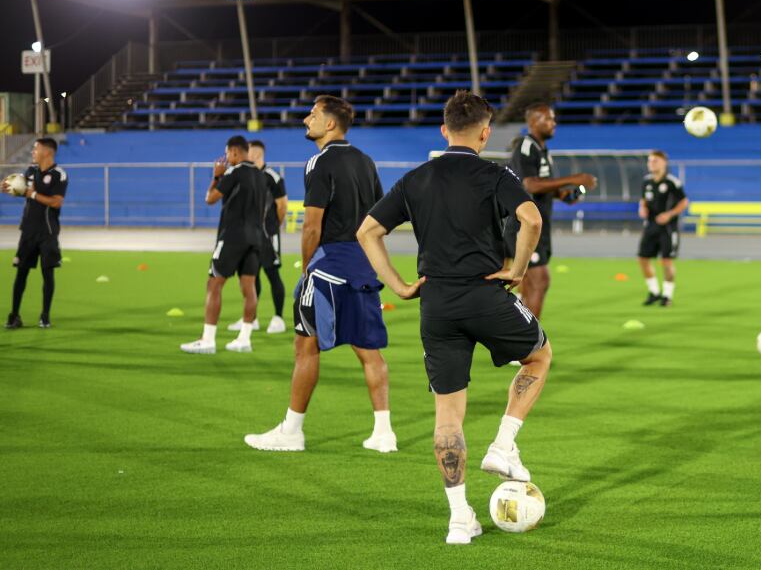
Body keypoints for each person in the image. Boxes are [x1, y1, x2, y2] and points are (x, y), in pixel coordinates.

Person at [357, 91, 552, 545]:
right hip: (485, 292)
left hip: (436, 304)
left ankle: (459, 518)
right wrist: (519, 269)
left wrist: (400, 285)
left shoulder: (416, 178)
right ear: (485, 133)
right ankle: (503, 446)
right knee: (539, 356)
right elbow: (532, 219)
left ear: (443, 130)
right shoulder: (494, 173)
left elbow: (367, 231)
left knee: (448, 416)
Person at [244, 95, 396, 453]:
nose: (305, 120)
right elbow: (378, 222)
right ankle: (383, 433)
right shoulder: (366, 161)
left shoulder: (318, 161)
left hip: (328, 267)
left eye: (313, 115)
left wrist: (307, 266)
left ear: (330, 124)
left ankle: (292, 432)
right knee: (369, 351)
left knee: (305, 348)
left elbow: (311, 226)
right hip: (363, 267)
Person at [503, 103, 597, 317]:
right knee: (540, 281)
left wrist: (563, 194)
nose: (553, 123)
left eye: (553, 119)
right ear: (533, 122)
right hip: (524, 226)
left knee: (527, 283)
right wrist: (575, 178)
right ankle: (531, 341)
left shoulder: (542, 150)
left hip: (538, 226)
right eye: (548, 119)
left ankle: (518, 337)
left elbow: (541, 186)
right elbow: (529, 184)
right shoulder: (527, 146)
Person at [179, 135, 270, 355]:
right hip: (256, 238)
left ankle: (208, 340)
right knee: (249, 288)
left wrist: (216, 177)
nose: (226, 158)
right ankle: (244, 339)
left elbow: (210, 198)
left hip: (232, 237)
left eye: (228, 153)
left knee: (214, 285)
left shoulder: (233, 172)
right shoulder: (261, 175)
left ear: (236, 152)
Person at [3, 138, 67, 329]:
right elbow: (23, 189)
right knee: (20, 274)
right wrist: (8, 187)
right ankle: (14, 315)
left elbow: (56, 202)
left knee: (48, 274)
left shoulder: (58, 175)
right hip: (28, 232)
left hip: (47, 232)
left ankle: (45, 315)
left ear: (47, 152)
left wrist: (32, 194)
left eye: (35, 148)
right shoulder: (30, 171)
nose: (33, 151)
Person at [229, 140, 289, 335]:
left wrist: (272, 228)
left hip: (267, 235)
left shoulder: (272, 177)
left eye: (249, 152)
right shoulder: (247, 176)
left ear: (256, 154)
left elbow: (282, 206)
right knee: (250, 276)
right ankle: (251, 318)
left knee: (272, 274)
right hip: (249, 235)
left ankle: (278, 318)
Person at [637, 150, 689, 306]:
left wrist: (670, 214)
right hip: (650, 226)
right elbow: (643, 200)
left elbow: (684, 202)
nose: (651, 163)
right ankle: (654, 292)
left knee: (666, 261)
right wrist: (642, 208)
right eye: (650, 161)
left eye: (655, 161)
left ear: (664, 163)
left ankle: (667, 296)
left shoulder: (672, 182)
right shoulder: (646, 182)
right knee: (643, 259)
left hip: (668, 229)